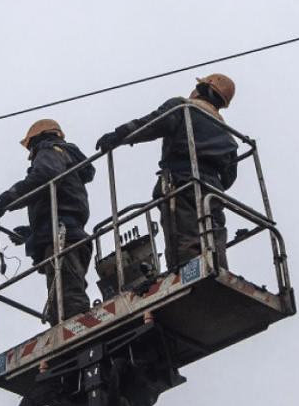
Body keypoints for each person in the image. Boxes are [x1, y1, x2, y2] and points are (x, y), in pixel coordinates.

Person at [94, 73, 239, 270]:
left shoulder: (183, 107)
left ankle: (189, 274)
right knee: (213, 234)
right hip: (213, 190)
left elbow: (152, 124)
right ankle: (217, 271)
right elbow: (229, 177)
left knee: (184, 233)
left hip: (182, 182)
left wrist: (119, 135)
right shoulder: (228, 134)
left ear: (209, 89)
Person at [0, 119, 96, 324]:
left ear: (39, 137)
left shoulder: (49, 150)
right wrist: (33, 232)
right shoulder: (68, 160)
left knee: (69, 303)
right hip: (67, 233)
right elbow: (62, 203)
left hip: (63, 236)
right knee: (62, 300)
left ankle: (77, 333)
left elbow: (45, 175)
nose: (30, 152)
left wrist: (10, 197)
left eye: (30, 146)